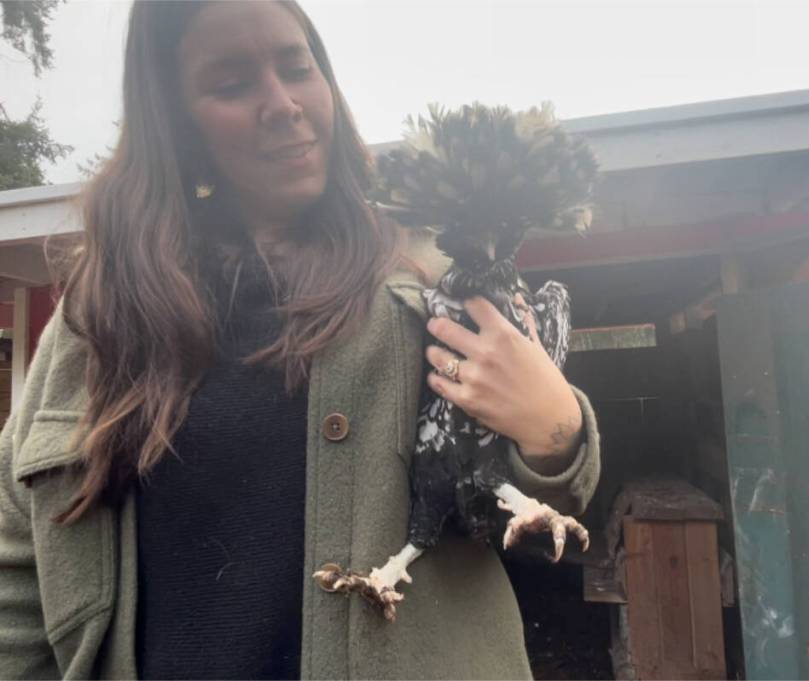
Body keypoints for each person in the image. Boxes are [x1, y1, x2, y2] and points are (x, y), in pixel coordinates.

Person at [0, 1, 600, 679]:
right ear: (176, 119)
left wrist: (557, 430)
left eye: (296, 67)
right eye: (232, 84)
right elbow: (19, 552)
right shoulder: (102, 309)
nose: (282, 103)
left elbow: (530, 502)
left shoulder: (429, 274)